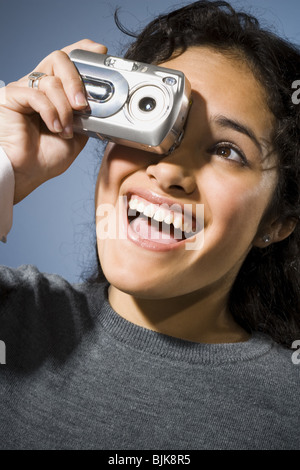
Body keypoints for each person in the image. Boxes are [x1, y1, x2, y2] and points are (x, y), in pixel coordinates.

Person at [0, 0, 299, 450]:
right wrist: (7, 168)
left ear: (276, 221)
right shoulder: (12, 313)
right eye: (152, 116)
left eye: (225, 150)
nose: (168, 170)